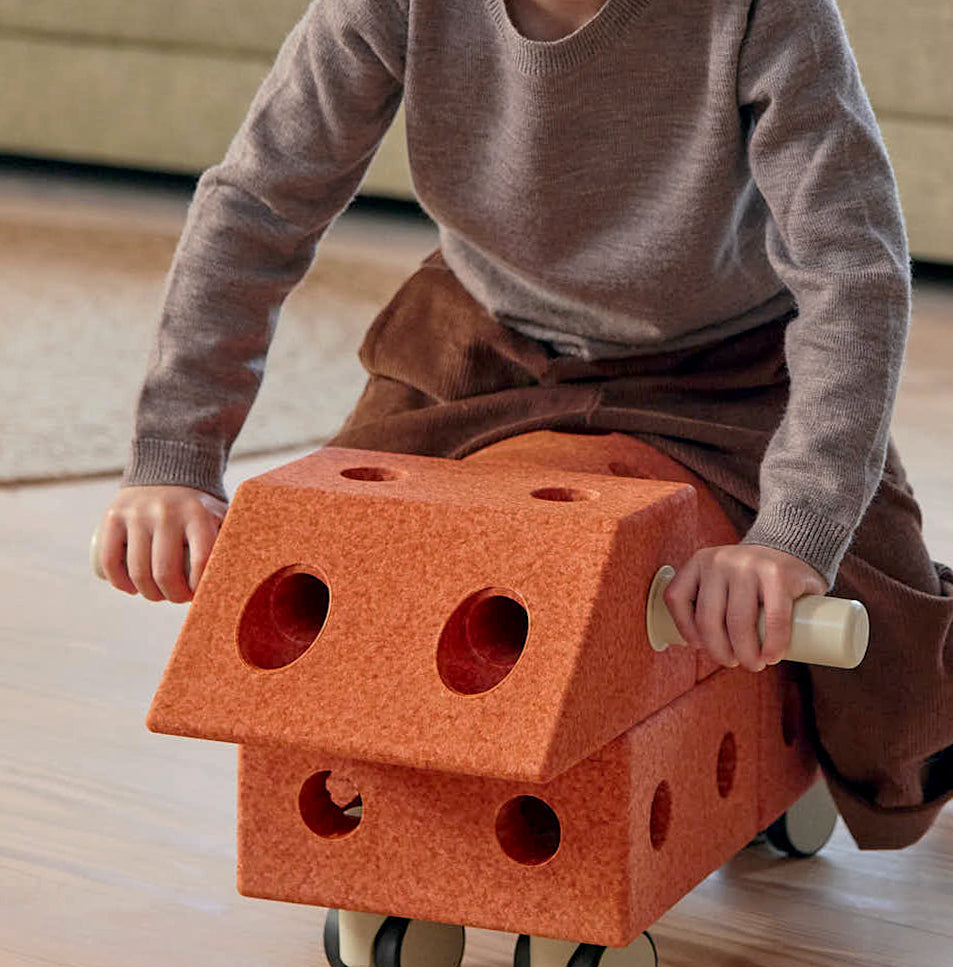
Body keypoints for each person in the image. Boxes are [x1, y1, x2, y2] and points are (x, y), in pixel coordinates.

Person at [94, 0, 953, 848]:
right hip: (481, 338)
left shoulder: (768, 11)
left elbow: (851, 269)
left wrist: (793, 537)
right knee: (346, 577)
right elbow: (257, 207)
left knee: (896, 696)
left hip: (732, 366)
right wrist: (175, 455)